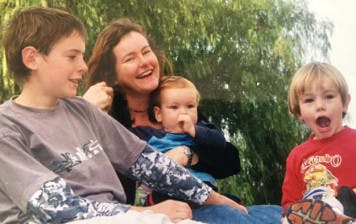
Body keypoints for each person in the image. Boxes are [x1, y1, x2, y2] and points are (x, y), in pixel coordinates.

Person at [0, 6, 247, 224]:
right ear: (32, 58)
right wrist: (144, 212)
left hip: (121, 215)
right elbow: (57, 207)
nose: (83, 66)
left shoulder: (81, 110)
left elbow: (147, 162)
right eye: (72, 56)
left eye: (82, 56)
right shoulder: (7, 126)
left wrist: (215, 198)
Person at [85, 17, 283, 224]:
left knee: (277, 213)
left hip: (208, 203)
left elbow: (230, 162)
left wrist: (189, 155)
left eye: (146, 51)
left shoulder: (177, 101)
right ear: (113, 75)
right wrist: (83, 112)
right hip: (164, 212)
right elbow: (95, 197)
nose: (144, 62)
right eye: (130, 59)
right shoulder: (111, 125)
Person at [132, 75, 240, 205]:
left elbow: (220, 144)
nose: (184, 112)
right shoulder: (150, 135)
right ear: (159, 114)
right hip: (165, 191)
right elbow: (120, 141)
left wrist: (194, 131)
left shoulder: (201, 130)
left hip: (201, 184)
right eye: (174, 107)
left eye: (190, 106)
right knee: (159, 196)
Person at [281, 62, 356, 223]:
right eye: (309, 100)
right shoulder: (297, 156)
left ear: (344, 103)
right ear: (299, 111)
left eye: (329, 97)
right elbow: (290, 204)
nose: (320, 106)